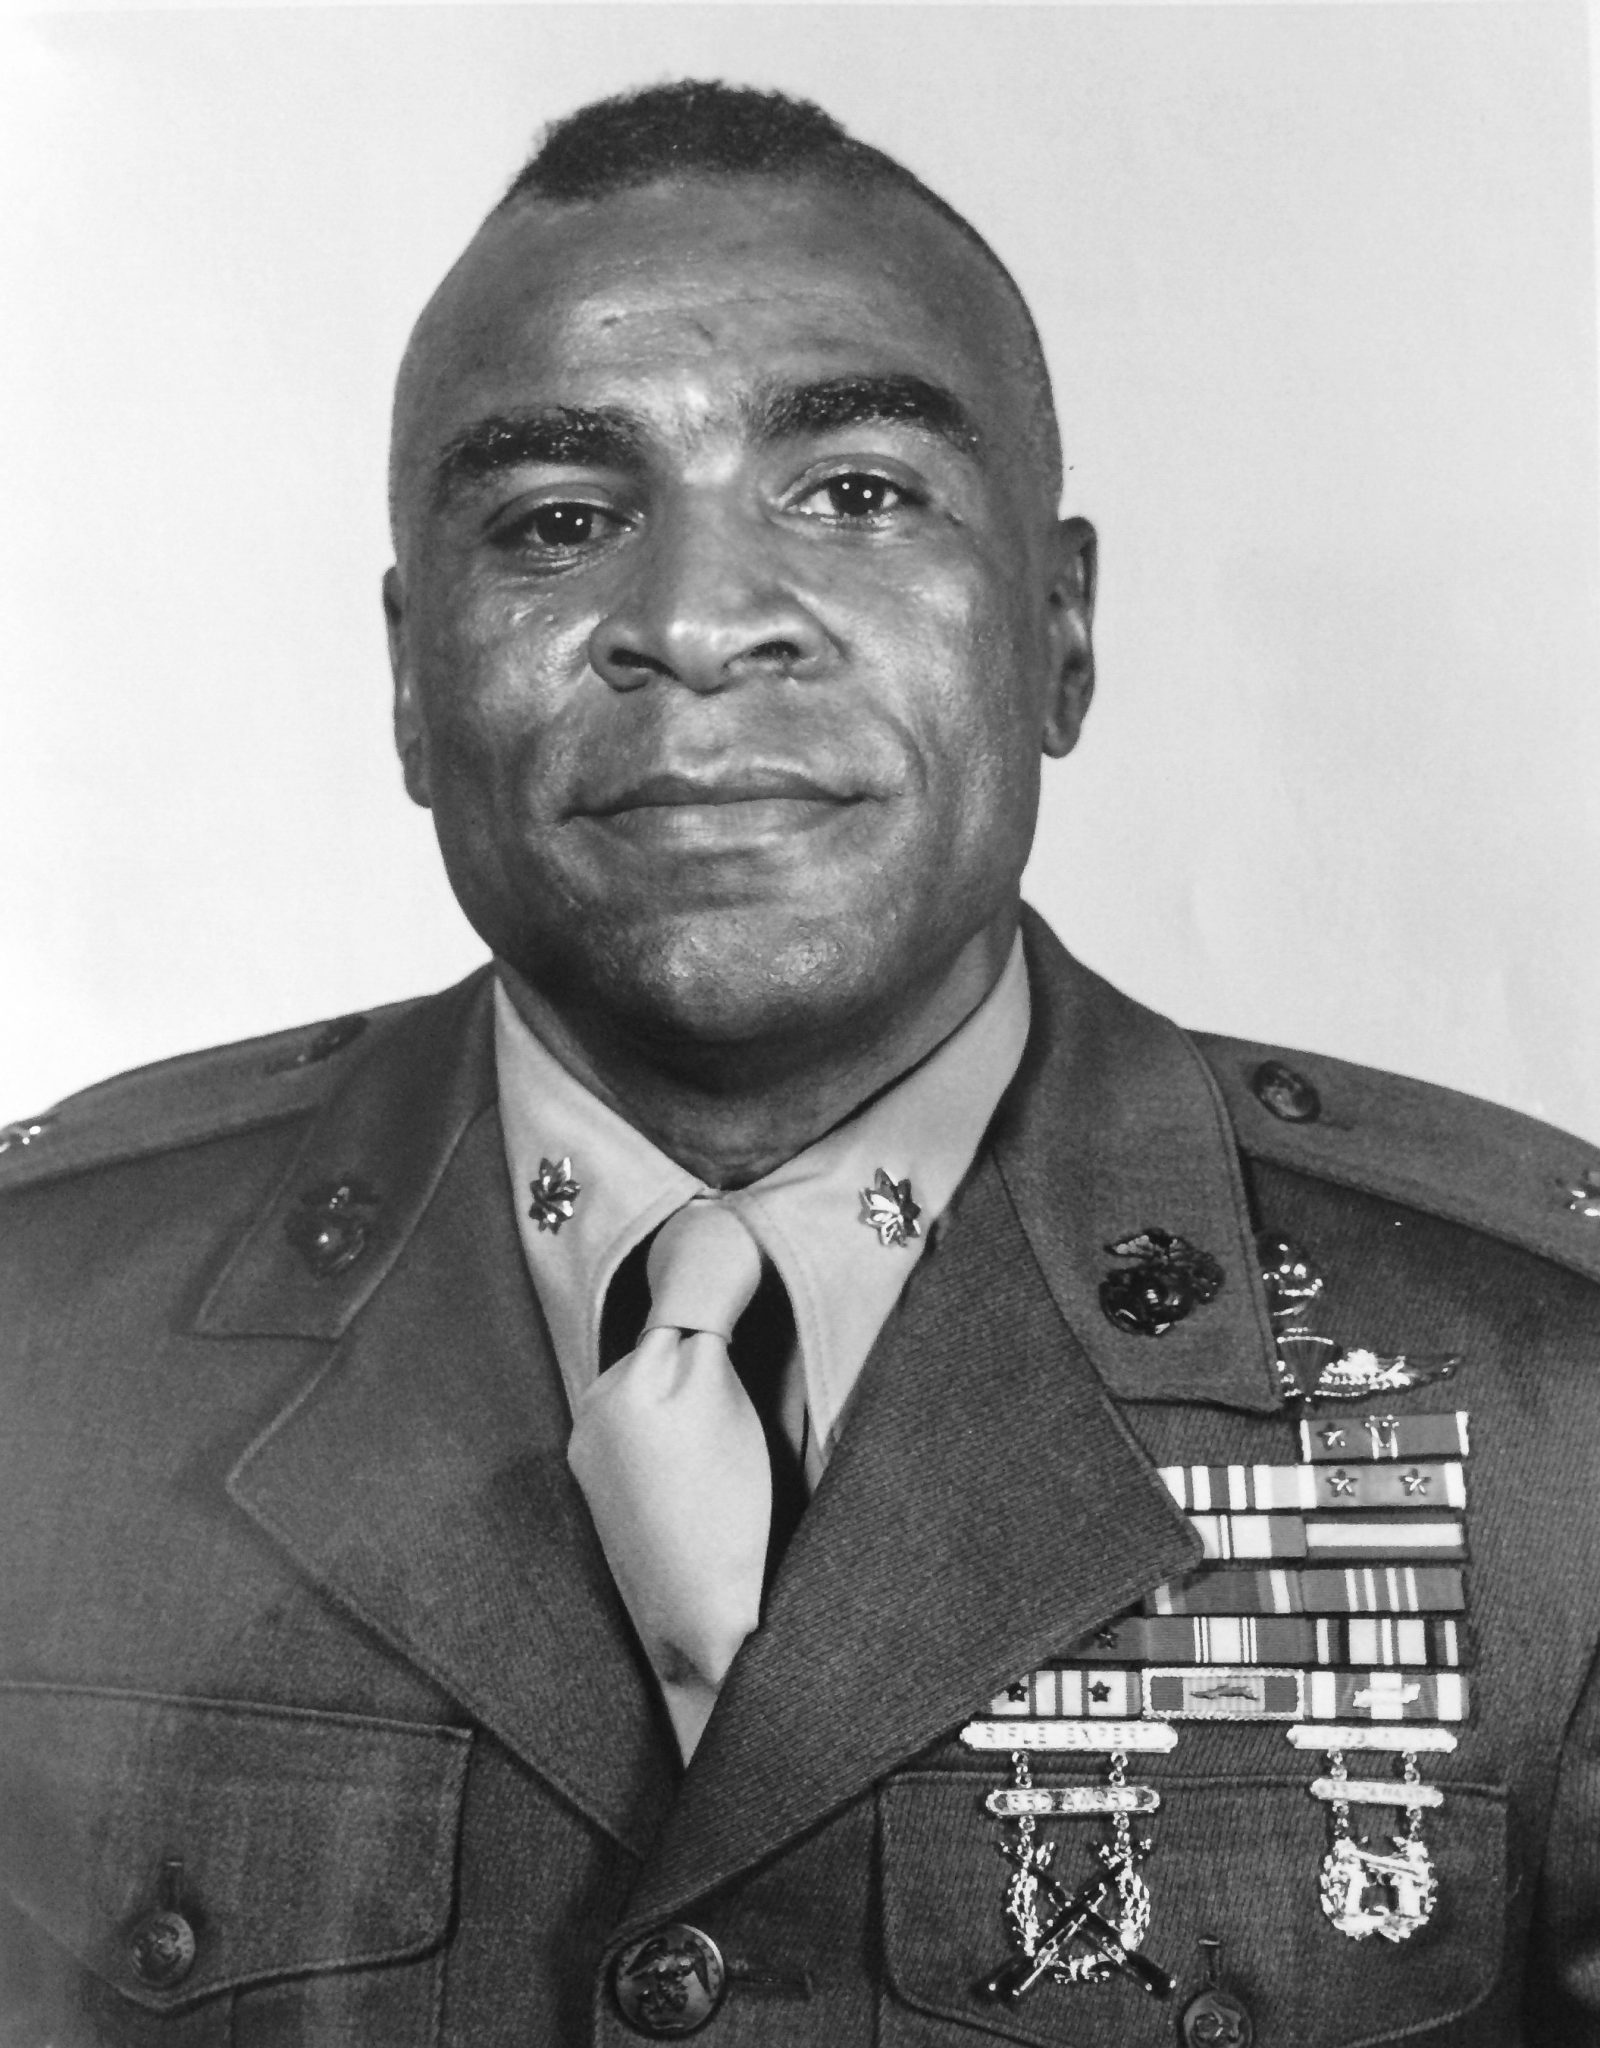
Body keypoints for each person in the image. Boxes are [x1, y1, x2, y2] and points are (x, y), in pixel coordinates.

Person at [2, 78, 1598, 2048]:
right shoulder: (36, 1342)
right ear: (410, 678)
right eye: (558, 520)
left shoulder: (1552, 1396)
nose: (693, 622)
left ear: (1059, 631)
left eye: (855, 493)